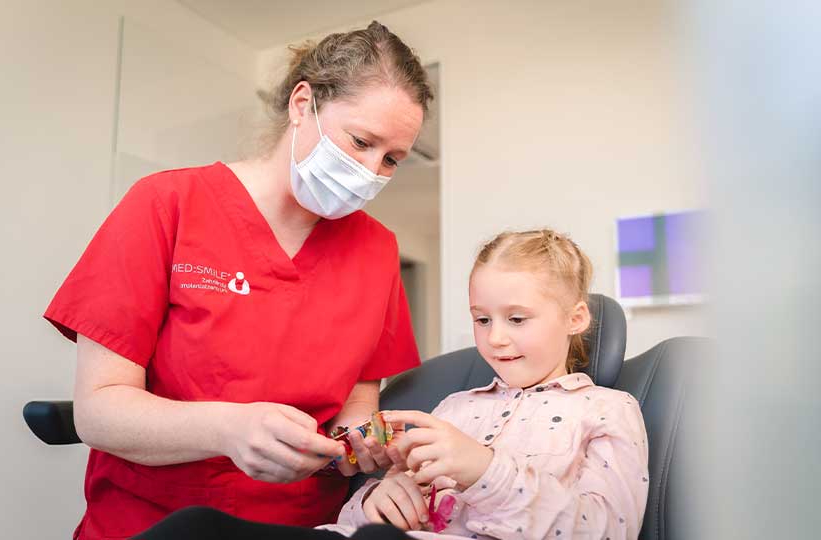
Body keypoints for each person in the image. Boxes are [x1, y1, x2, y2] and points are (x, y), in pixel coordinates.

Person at [43, 21, 433, 540]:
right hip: (154, 522)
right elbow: (99, 410)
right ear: (302, 103)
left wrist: (360, 443)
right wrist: (227, 429)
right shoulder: (168, 205)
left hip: (307, 525)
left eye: (392, 160)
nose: (370, 171)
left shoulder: (377, 249)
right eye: (361, 141)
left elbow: (357, 405)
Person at [324, 229, 650, 539]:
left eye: (517, 319)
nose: (494, 338)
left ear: (575, 318)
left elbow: (610, 533)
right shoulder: (454, 407)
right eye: (482, 319)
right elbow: (356, 521)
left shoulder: (608, 409)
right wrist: (374, 504)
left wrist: (486, 471)